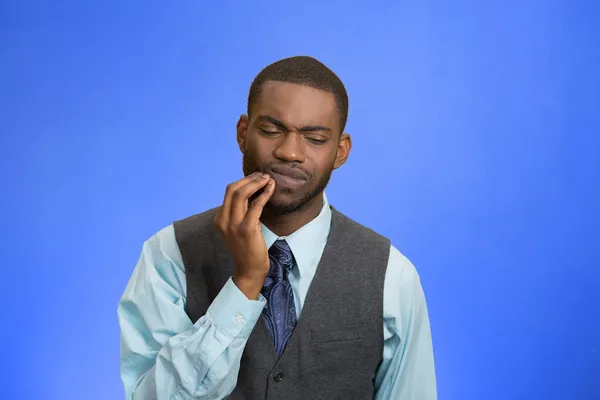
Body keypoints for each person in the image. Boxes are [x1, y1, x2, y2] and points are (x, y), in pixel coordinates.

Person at [118, 55, 437, 400]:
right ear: (243, 133)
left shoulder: (392, 275)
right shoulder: (170, 254)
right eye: (271, 131)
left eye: (314, 138)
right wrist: (245, 283)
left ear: (340, 151)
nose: (289, 152)